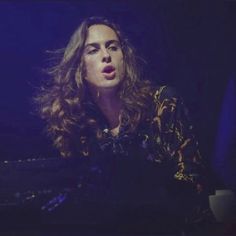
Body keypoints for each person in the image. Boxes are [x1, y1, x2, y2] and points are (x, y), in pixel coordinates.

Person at [34, 16, 213, 232]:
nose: (106, 56)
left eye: (113, 47)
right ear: (79, 67)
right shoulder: (80, 126)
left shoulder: (161, 103)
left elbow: (192, 183)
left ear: (124, 57)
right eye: (93, 50)